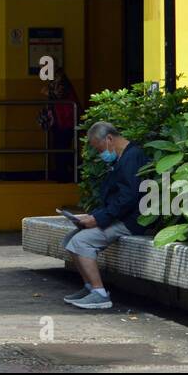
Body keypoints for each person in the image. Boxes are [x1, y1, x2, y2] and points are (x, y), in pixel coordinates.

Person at [62, 121, 147, 310]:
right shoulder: (121, 158)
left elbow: (128, 198)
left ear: (109, 138)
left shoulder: (132, 158)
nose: (100, 153)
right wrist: (93, 217)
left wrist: (98, 219)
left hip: (130, 221)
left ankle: (100, 294)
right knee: (71, 238)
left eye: (99, 148)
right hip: (119, 216)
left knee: (81, 242)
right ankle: (90, 287)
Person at [44, 69, 78, 182]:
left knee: (61, 147)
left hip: (64, 121)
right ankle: (65, 172)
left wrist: (48, 92)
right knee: (61, 147)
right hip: (61, 120)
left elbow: (60, 95)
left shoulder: (61, 84)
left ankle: (66, 173)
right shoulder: (62, 83)